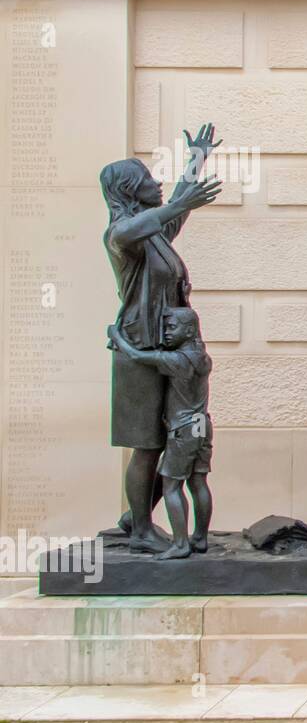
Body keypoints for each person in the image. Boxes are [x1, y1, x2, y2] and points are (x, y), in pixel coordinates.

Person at [101, 125, 222, 553]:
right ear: (132, 193)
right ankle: (141, 530)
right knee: (147, 445)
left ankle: (137, 516)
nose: (158, 183)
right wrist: (178, 202)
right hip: (139, 350)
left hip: (165, 349)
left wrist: (196, 160)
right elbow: (165, 211)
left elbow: (175, 210)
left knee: (168, 439)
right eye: (150, 180)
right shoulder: (123, 235)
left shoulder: (153, 234)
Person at [108, 308, 213, 560]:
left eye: (172, 327)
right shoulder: (202, 356)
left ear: (189, 330)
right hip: (201, 424)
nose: (166, 332)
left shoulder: (177, 360)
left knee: (172, 486)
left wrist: (117, 335)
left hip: (183, 429)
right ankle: (199, 538)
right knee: (198, 482)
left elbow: (135, 355)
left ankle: (180, 544)